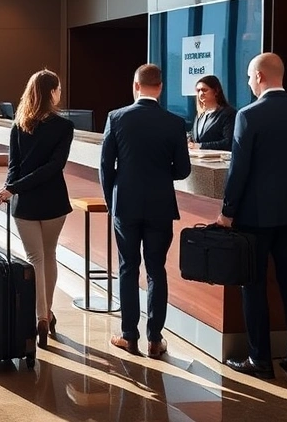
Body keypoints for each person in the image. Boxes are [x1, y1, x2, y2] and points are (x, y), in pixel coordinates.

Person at [218, 53, 287, 380]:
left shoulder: (249, 115)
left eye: (249, 77)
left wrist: (227, 212)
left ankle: (260, 358)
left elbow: (239, 170)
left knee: (254, 284)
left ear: (259, 76)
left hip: (255, 215)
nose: (248, 82)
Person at [99, 63, 191, 358]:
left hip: (125, 204)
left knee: (128, 268)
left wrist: (111, 200)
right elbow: (184, 170)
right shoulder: (175, 123)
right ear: (161, 87)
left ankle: (129, 335)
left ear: (135, 85)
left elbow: (105, 166)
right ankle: (154, 338)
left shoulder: (116, 118)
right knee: (156, 270)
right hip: (161, 206)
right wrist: (161, 174)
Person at [0, 69, 74, 349]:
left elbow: (13, 167)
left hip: (24, 203)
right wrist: (11, 187)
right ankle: (45, 315)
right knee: (48, 256)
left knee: (36, 258)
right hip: (53, 202)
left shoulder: (18, 125)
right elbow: (54, 167)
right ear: (51, 92)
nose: (60, 92)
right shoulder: (64, 127)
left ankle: (40, 317)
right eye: (58, 88)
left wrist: (10, 189)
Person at [188, 75, 236, 152]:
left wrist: (201, 146)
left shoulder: (228, 114)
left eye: (204, 90)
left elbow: (228, 142)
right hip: (198, 161)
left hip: (219, 161)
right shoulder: (200, 115)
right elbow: (196, 137)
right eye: (198, 90)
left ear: (216, 91)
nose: (201, 94)